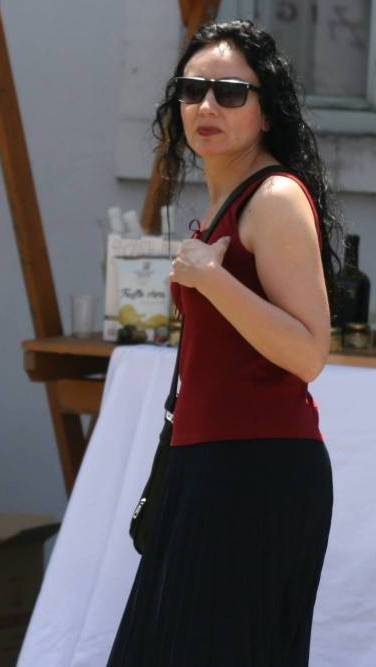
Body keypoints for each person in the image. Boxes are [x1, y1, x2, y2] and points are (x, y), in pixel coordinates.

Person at [107, 20, 340, 667]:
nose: (207, 106)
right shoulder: (226, 202)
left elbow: (308, 351)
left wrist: (211, 279)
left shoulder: (275, 199)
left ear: (267, 112)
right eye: (192, 90)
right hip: (207, 466)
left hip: (256, 471)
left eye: (230, 93)